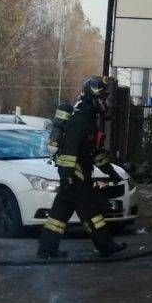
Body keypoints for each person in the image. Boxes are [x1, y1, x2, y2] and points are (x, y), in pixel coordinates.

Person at [37, 77, 125, 259]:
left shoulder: (89, 120)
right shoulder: (80, 121)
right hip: (74, 175)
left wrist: (111, 172)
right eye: (102, 98)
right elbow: (70, 151)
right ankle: (106, 246)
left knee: (59, 214)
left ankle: (46, 250)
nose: (105, 102)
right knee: (91, 211)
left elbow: (95, 153)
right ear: (93, 98)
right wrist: (68, 177)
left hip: (75, 174)